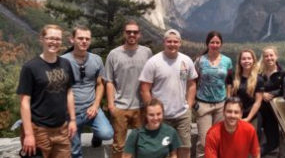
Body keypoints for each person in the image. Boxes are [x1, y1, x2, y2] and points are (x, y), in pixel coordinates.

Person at [17, 24, 77, 157]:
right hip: (39, 131)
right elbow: (24, 102)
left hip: (62, 130)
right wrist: (28, 134)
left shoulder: (65, 64)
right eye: (50, 38)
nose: (54, 42)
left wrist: (72, 120)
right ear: (42, 39)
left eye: (57, 39)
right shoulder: (30, 67)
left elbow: (69, 92)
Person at [139, 29, 198, 158]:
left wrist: (189, 105)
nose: (172, 44)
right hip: (161, 116)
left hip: (182, 114)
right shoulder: (153, 62)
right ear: (164, 42)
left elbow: (192, 84)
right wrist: (152, 110)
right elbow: (144, 88)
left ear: (180, 43)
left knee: (185, 147)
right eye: (169, 41)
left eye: (175, 42)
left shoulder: (186, 61)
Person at [62, 26, 113, 158]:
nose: (84, 41)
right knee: (75, 152)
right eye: (80, 38)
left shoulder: (96, 60)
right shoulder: (63, 61)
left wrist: (96, 105)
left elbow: (100, 84)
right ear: (72, 40)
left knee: (107, 133)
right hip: (71, 113)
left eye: (87, 39)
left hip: (92, 109)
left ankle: (97, 135)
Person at [105, 20, 153, 158]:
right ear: (124, 34)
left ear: (140, 35)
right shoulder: (113, 54)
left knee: (142, 143)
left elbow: (151, 79)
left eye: (135, 32)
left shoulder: (147, 52)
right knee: (118, 145)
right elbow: (109, 81)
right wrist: (111, 106)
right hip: (120, 107)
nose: (132, 34)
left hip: (141, 107)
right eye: (129, 32)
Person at [193, 31, 233, 157]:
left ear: (221, 44)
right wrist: (194, 102)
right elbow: (193, 81)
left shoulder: (227, 61)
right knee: (204, 142)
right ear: (207, 44)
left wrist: (228, 100)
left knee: (218, 139)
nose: (215, 45)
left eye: (217, 42)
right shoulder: (199, 61)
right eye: (212, 42)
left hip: (221, 105)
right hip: (203, 104)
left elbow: (229, 82)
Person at [258, 47, 285, 157]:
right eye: (266, 56)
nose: (269, 58)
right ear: (263, 58)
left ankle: (255, 154)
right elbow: (253, 87)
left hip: (276, 112)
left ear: (276, 56)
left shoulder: (283, 74)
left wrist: (273, 94)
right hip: (259, 109)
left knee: (273, 141)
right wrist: (262, 94)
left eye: (271, 55)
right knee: (256, 135)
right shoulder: (258, 73)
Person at [229, 50, 265, 135]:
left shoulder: (259, 79)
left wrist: (248, 118)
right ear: (240, 61)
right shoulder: (234, 77)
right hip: (235, 114)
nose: (246, 61)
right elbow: (229, 97)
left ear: (253, 61)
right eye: (244, 59)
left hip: (252, 115)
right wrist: (232, 114)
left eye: (249, 58)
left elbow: (258, 102)